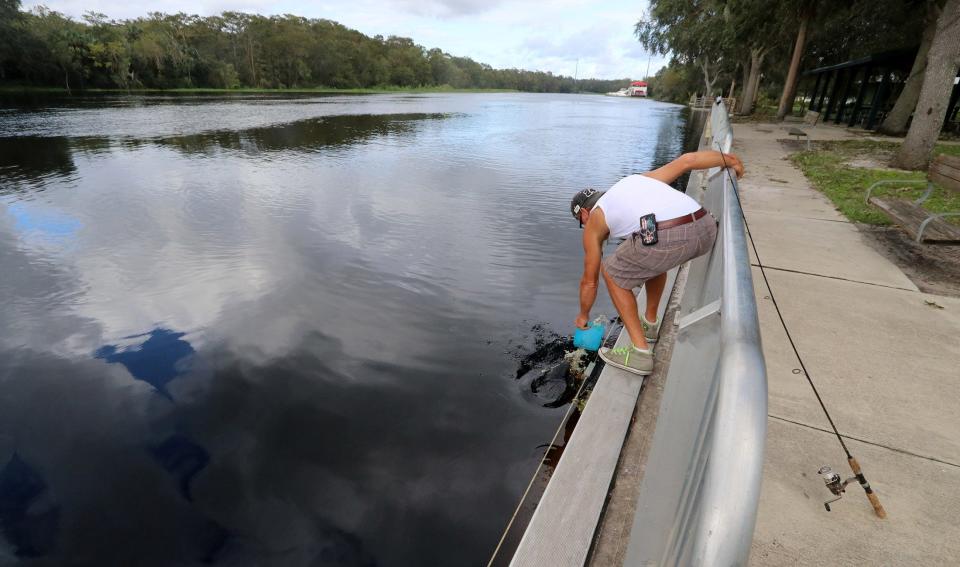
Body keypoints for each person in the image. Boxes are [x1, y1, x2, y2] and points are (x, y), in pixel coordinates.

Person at [570, 150, 744, 375]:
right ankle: (650, 324)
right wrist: (731, 161)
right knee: (646, 255)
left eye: (581, 221)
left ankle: (640, 354)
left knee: (611, 273)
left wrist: (583, 315)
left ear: (584, 212)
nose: (585, 226)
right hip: (706, 226)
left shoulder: (595, 219)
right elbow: (687, 161)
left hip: (674, 234)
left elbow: (589, 282)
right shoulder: (633, 182)